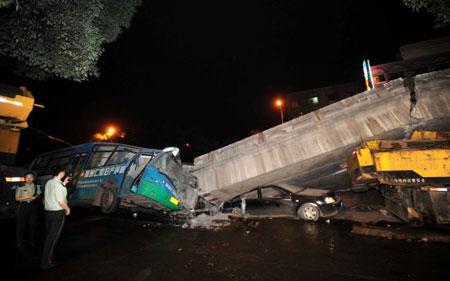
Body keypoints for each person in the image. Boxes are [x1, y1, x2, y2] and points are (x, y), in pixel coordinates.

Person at [41, 168, 70, 271]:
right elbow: (61, 202)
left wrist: (64, 184)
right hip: (57, 213)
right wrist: (67, 209)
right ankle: (46, 262)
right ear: (61, 173)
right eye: (64, 171)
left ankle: (47, 257)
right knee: (52, 238)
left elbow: (54, 192)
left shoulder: (50, 182)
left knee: (49, 236)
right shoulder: (58, 186)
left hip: (48, 212)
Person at [15, 172, 41, 250]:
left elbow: (39, 194)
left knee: (33, 225)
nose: (29, 179)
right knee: (21, 225)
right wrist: (27, 197)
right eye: (27, 177)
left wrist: (36, 196)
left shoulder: (37, 186)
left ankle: (31, 241)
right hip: (24, 206)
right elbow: (17, 198)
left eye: (31, 177)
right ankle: (20, 242)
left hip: (33, 206)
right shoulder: (20, 187)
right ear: (25, 178)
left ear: (33, 178)